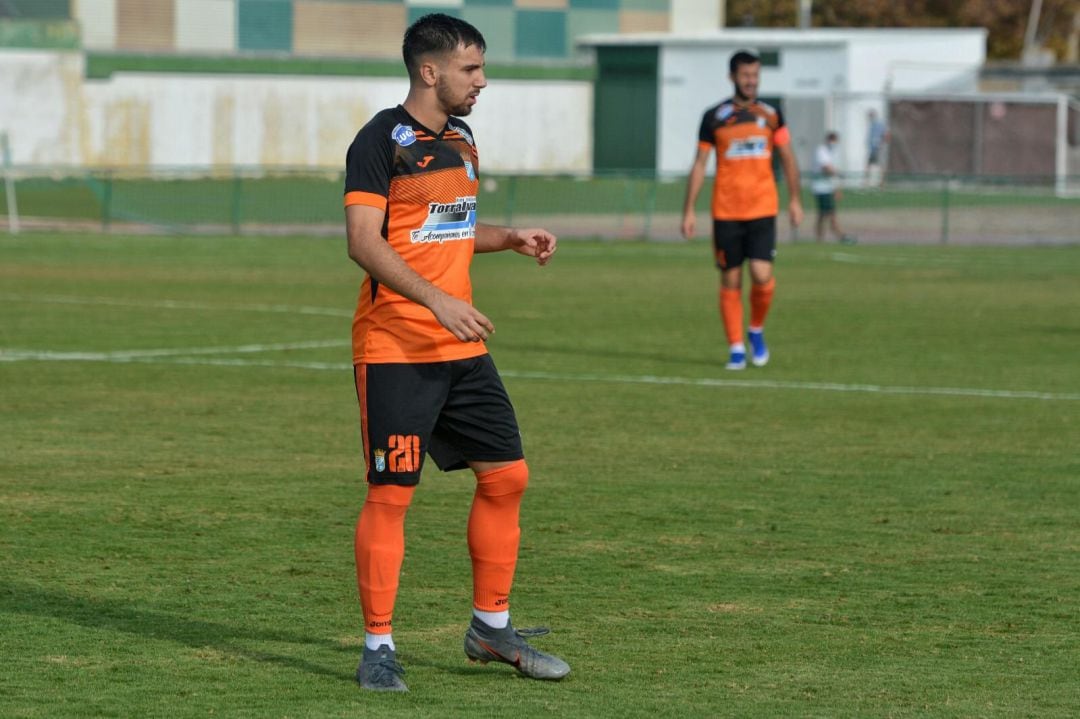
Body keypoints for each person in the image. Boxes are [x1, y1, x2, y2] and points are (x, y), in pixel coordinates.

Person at [342, 13, 570, 693]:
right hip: (396, 347)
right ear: (429, 70)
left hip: (459, 348)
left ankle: (489, 627)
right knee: (391, 493)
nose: (482, 80)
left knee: (508, 476)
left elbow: (449, 230)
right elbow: (363, 239)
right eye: (471, 69)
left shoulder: (463, 139)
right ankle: (378, 645)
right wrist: (435, 301)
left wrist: (510, 237)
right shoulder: (380, 139)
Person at [681, 49, 803, 371]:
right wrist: (689, 210)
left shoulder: (772, 114)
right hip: (726, 212)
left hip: (763, 208)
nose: (751, 81)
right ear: (732, 77)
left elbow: (788, 158)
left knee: (762, 275)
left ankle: (756, 330)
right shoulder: (714, 117)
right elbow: (699, 164)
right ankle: (736, 347)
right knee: (730, 280)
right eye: (746, 76)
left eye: (755, 76)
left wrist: (794, 199)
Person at [811, 131, 855, 244]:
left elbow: (832, 172)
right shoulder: (821, 151)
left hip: (828, 187)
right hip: (820, 187)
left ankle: (820, 237)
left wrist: (837, 189)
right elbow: (826, 168)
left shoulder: (832, 152)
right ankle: (840, 236)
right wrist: (839, 173)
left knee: (824, 213)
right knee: (830, 213)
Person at [865, 108, 889, 187]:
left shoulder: (879, 124)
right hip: (872, 148)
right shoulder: (871, 125)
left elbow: (886, 135)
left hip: (878, 148)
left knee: (880, 165)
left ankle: (882, 182)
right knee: (869, 165)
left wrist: (881, 144)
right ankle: (867, 181)